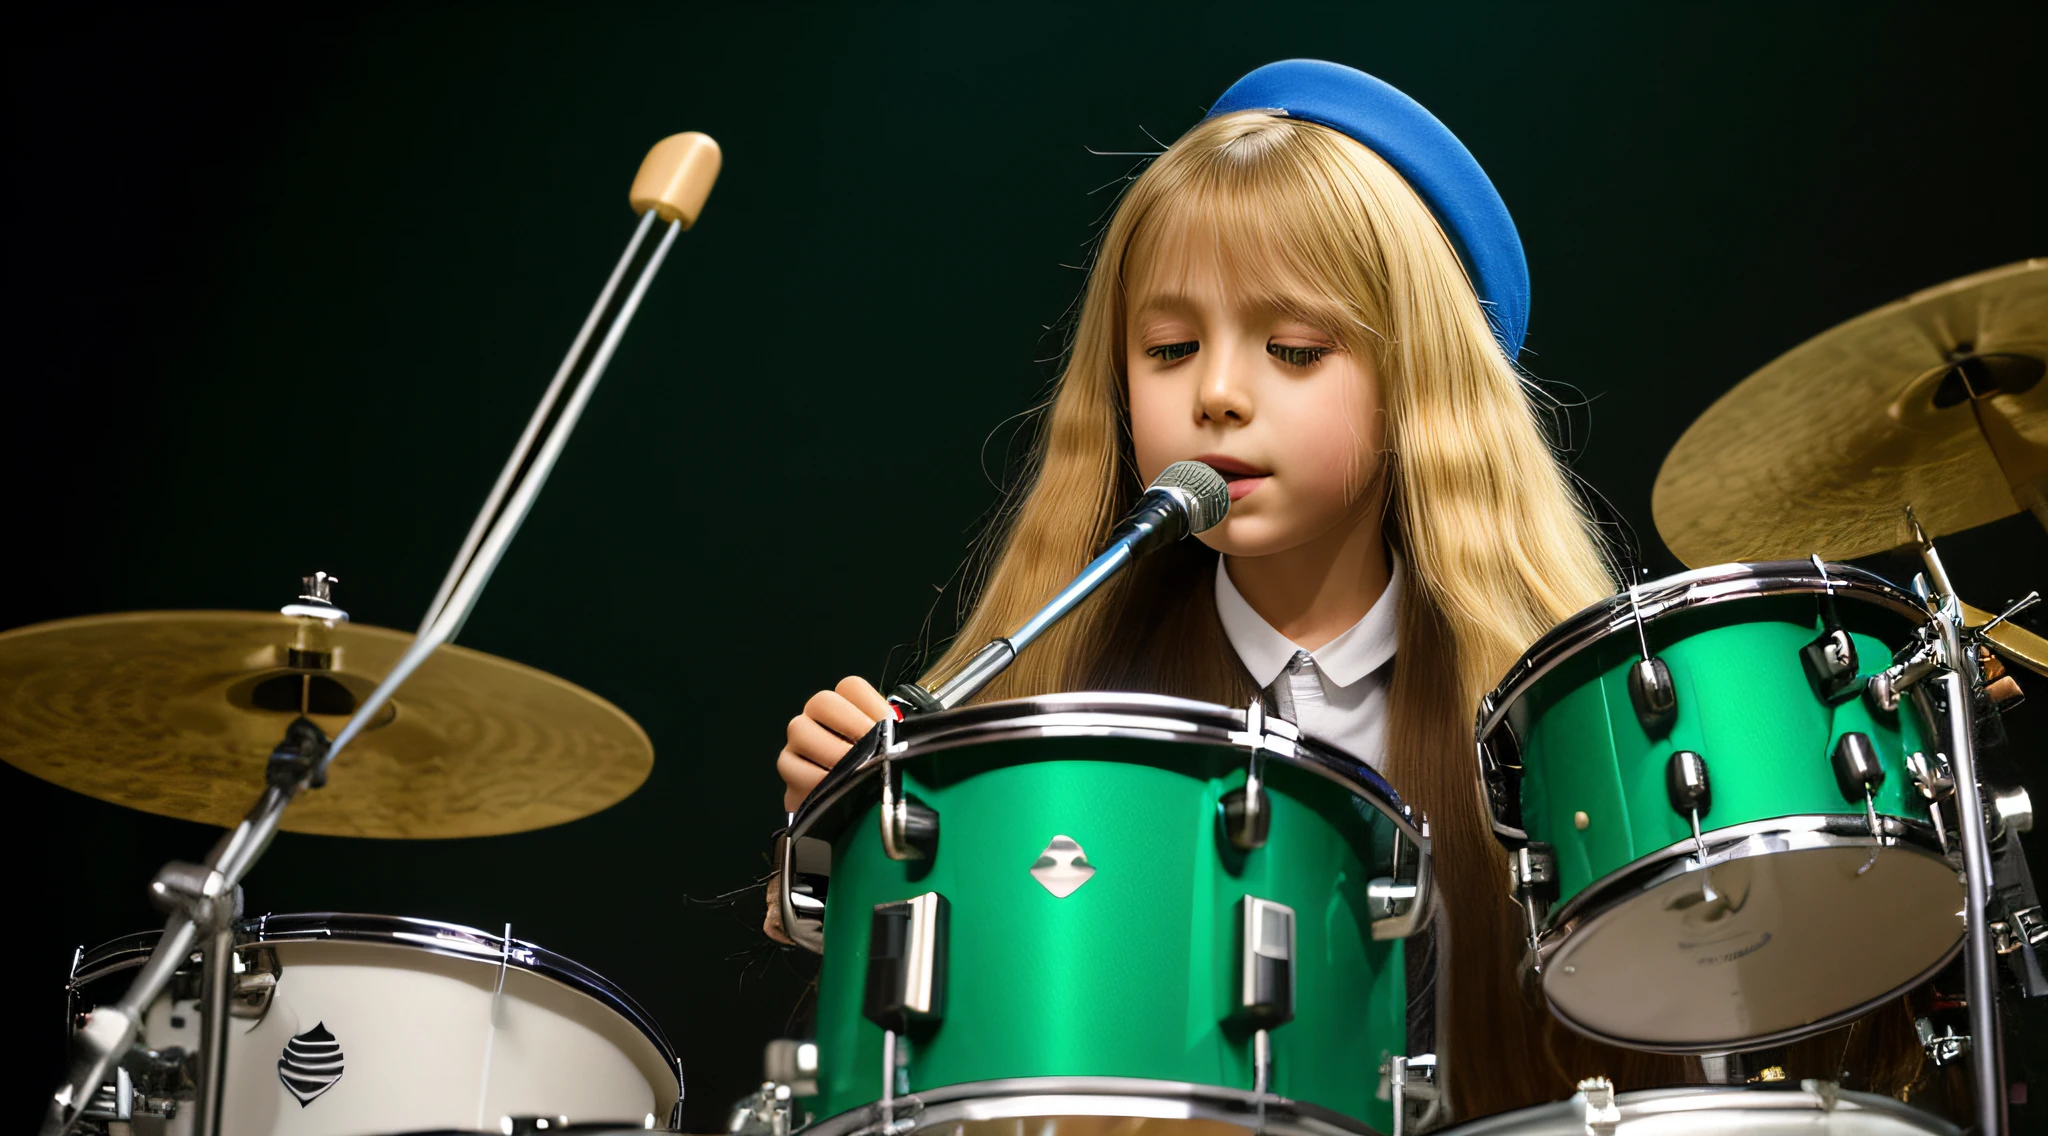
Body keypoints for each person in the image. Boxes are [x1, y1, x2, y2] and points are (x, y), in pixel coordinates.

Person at [766, 59, 1920, 1121]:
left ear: (1418, 386)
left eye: (1295, 349)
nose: (1216, 394)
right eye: (1166, 350)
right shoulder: (1067, 717)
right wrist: (852, 859)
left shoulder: (1572, 736)